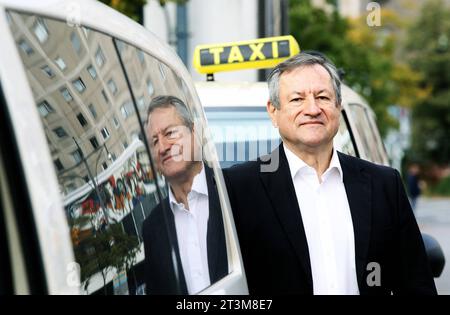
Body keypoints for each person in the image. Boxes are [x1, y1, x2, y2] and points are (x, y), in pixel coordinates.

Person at [223, 51, 436, 295]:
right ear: (273, 111)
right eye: (297, 99)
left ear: (338, 105)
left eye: (323, 97)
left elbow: (417, 283)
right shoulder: (239, 188)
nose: (312, 109)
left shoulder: (384, 184)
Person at [142, 95, 228, 295]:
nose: (162, 147)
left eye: (170, 133)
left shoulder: (235, 191)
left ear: (195, 134)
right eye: (155, 141)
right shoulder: (152, 228)